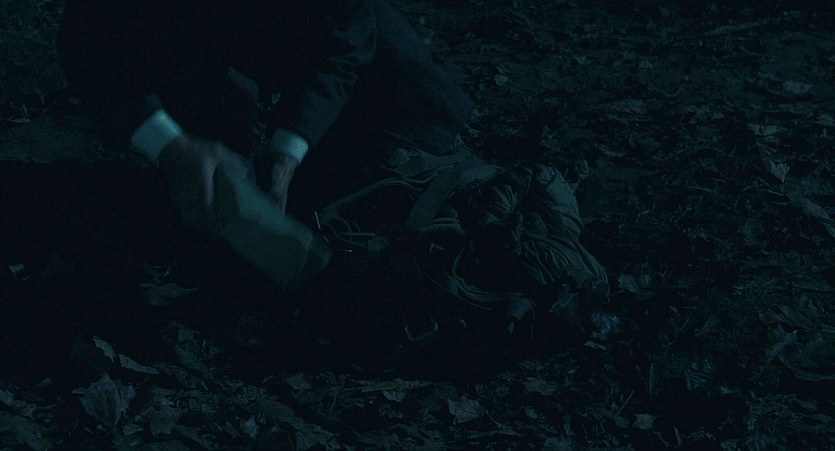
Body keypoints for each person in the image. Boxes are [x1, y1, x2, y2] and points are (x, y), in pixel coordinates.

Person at [58, 0, 473, 230]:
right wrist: (169, 144)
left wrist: (290, 149)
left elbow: (344, 45)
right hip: (177, 28)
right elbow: (87, 41)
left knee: (423, 101)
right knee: (212, 175)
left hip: (290, 21)